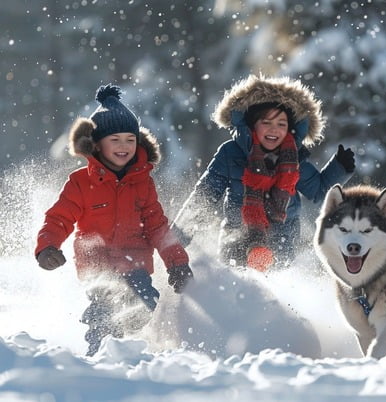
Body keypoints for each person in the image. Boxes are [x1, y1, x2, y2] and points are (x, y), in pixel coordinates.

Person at [34, 84, 194, 356]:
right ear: (97, 144)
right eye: (115, 140)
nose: (124, 146)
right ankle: (98, 357)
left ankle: (135, 353)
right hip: (97, 265)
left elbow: (158, 227)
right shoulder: (80, 182)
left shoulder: (143, 182)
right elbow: (59, 218)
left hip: (135, 263)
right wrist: (47, 247)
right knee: (103, 310)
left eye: (130, 140)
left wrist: (177, 263)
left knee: (146, 305)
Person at [173, 75, 355, 271]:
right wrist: (173, 244)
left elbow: (319, 192)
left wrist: (339, 169)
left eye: (281, 124)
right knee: (235, 291)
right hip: (236, 238)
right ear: (252, 125)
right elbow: (204, 197)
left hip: (282, 241)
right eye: (266, 122)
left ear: (290, 130)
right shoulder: (231, 153)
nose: (274, 129)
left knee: (274, 293)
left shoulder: (294, 160)